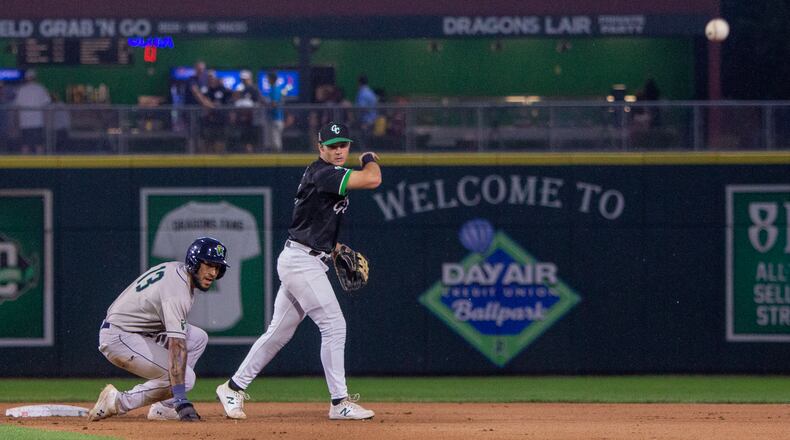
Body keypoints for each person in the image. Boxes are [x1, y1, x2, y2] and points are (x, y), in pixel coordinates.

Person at [216, 122, 382, 421]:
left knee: (278, 333)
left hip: (305, 258)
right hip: (301, 262)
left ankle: (232, 387)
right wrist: (369, 157)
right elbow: (372, 180)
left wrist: (333, 249)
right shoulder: (325, 173)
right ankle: (339, 402)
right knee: (334, 325)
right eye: (332, 145)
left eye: (343, 144)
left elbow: (313, 222)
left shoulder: (324, 174)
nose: (338, 150)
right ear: (320, 148)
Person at [87, 237, 230, 422]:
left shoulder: (176, 271)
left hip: (139, 331)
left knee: (198, 338)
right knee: (185, 379)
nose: (212, 273)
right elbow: (176, 346)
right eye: (209, 265)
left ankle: (165, 407)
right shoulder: (177, 291)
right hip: (119, 336)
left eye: (217, 268)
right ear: (195, 262)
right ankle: (118, 401)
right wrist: (182, 399)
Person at [13, 69, 51, 154]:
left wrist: (16, 124)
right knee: (39, 145)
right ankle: (40, 165)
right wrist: (47, 122)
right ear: (35, 78)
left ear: (26, 78)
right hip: (38, 122)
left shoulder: (21, 90)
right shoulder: (41, 89)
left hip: (25, 123)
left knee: (25, 146)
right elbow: (46, 105)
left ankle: (24, 166)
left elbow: (17, 108)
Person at [262, 71, 285, 151]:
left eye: (268, 78)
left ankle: (279, 159)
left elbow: (274, 104)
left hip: (276, 118)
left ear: (271, 79)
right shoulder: (274, 89)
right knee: (271, 140)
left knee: (275, 141)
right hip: (273, 118)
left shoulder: (275, 89)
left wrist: (264, 103)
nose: (267, 80)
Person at [355, 75, 378, 144]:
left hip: (366, 120)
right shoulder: (371, 92)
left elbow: (362, 107)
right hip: (373, 118)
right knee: (368, 138)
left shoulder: (362, 93)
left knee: (364, 139)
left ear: (359, 82)